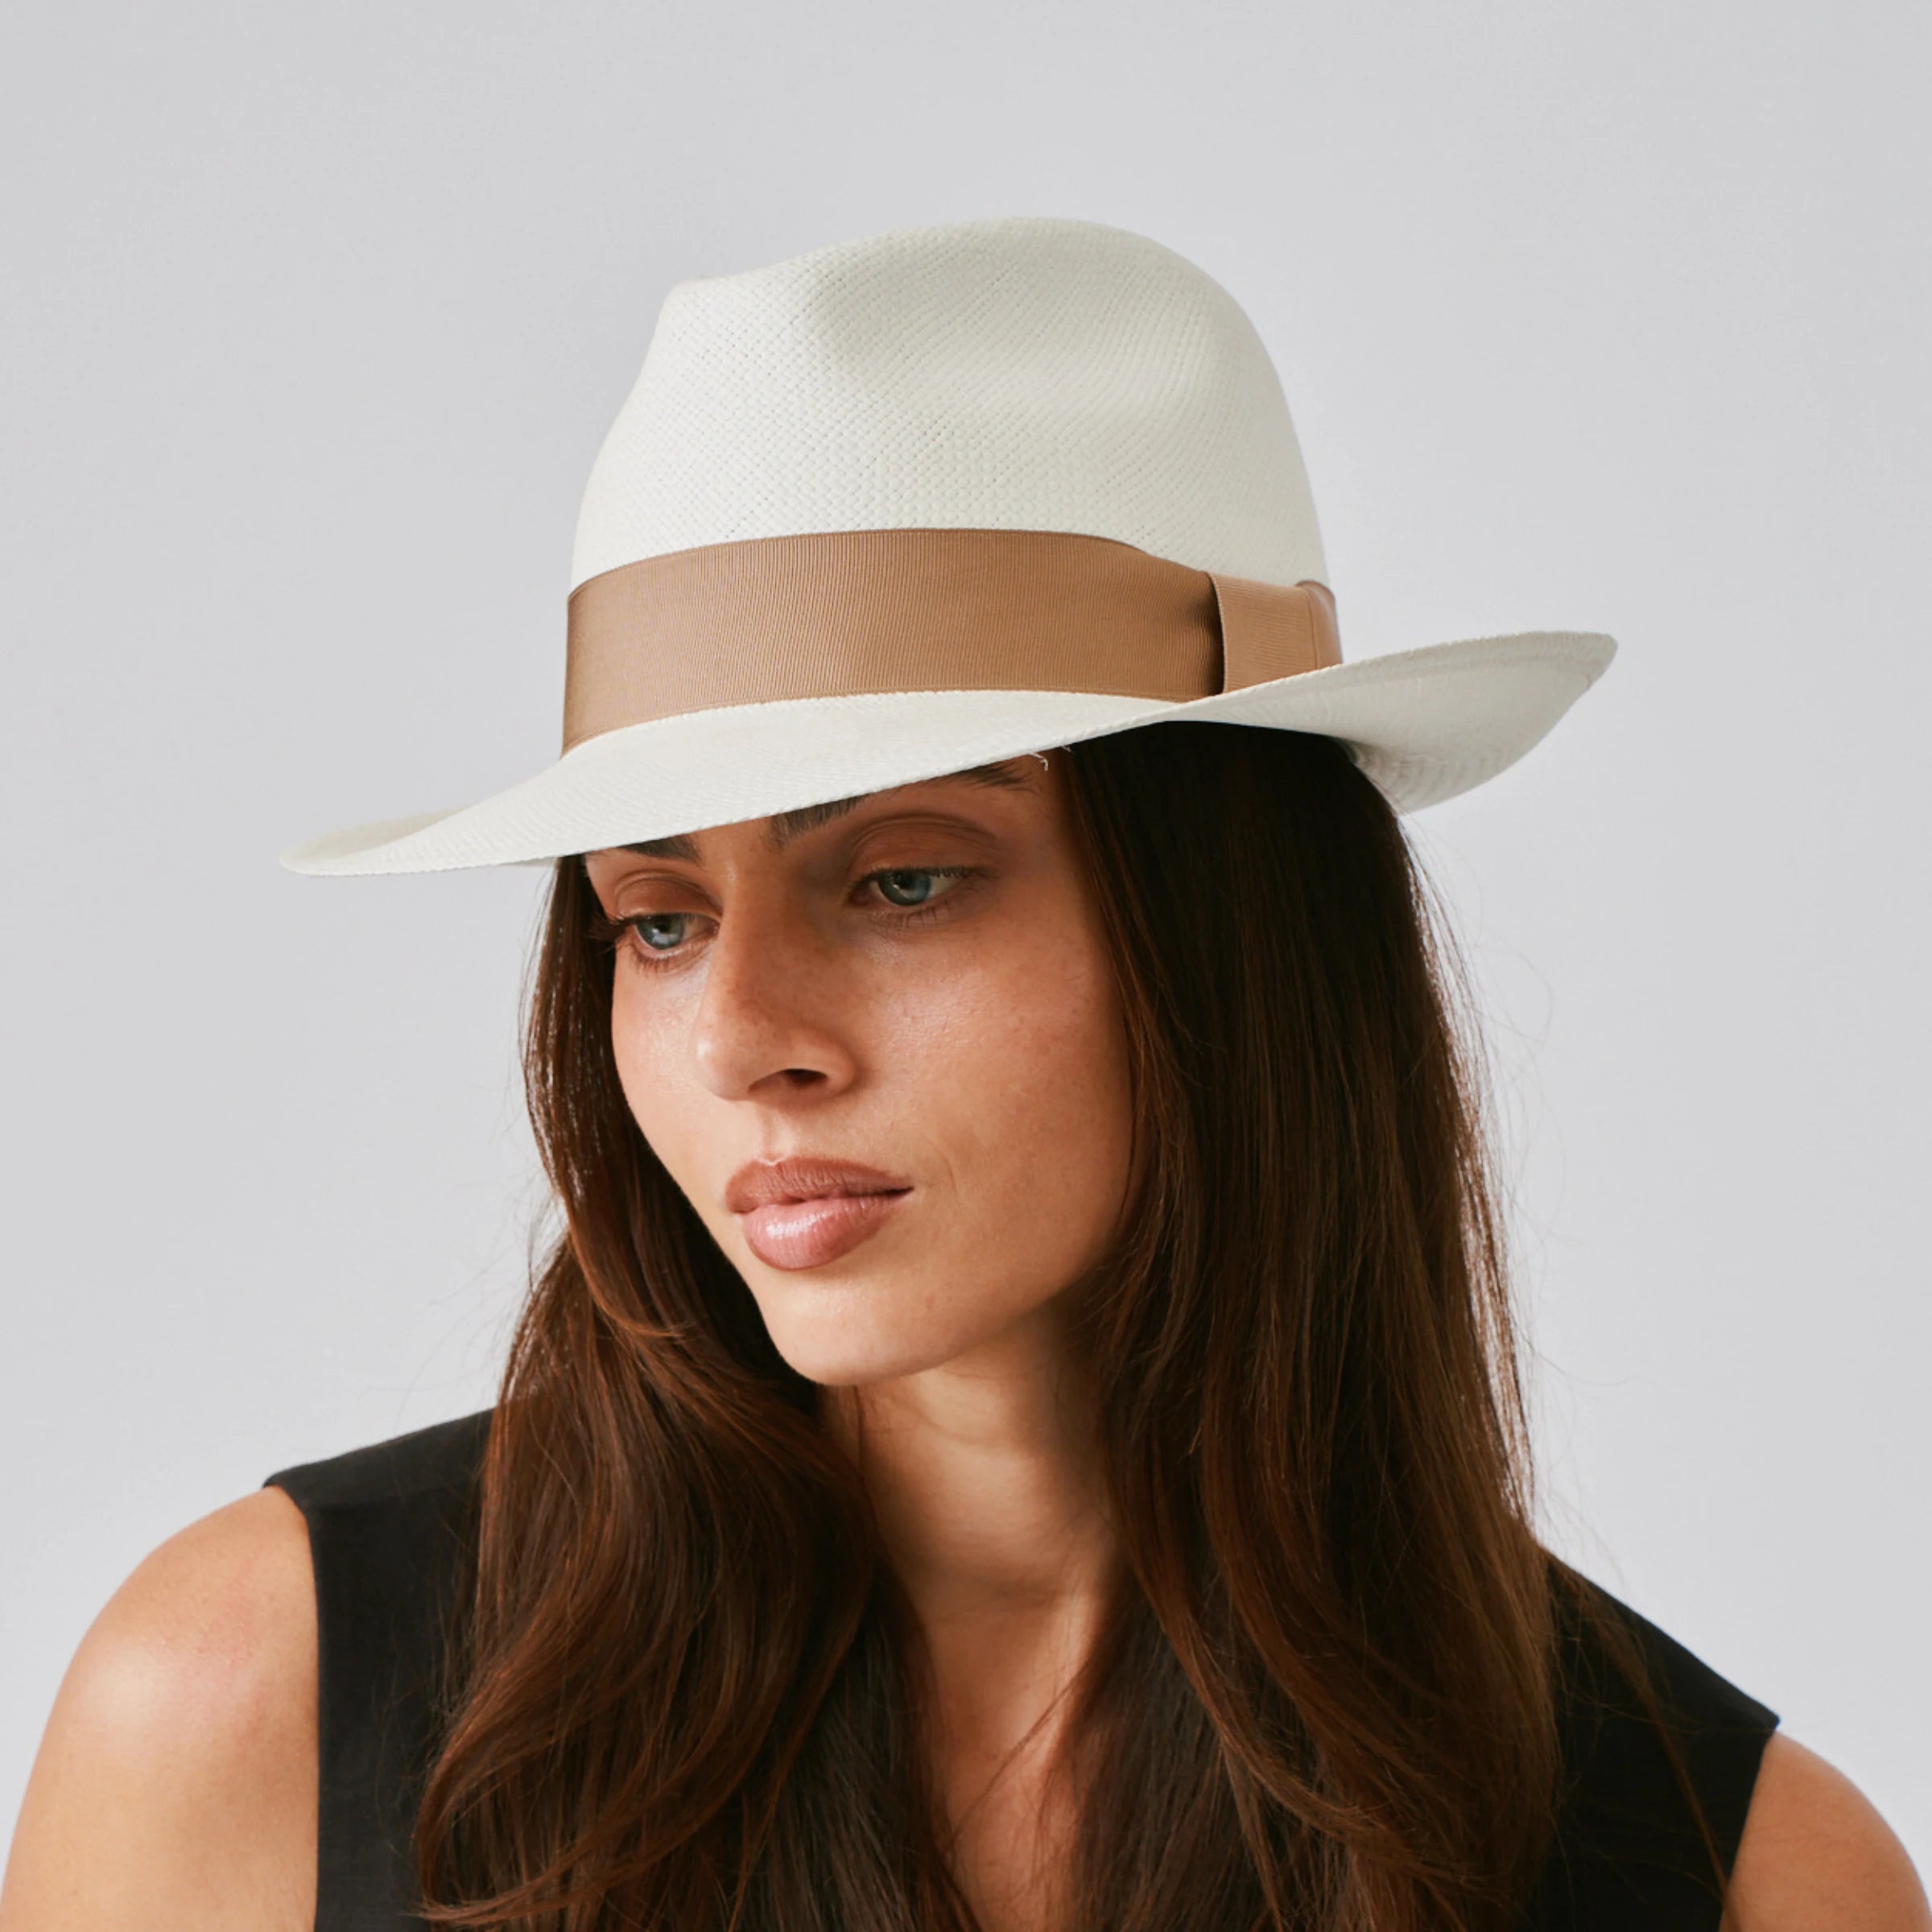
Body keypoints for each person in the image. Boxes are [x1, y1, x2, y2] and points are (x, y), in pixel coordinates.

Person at [2, 217, 1924, 1932]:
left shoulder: (1741, 1879)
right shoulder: (258, 1704)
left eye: (903, 878)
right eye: (657, 920)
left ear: (1239, 933)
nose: (749, 1033)